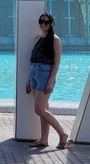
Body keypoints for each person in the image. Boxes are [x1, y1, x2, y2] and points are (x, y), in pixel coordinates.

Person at [25, 12, 71, 149]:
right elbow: (32, 59)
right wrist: (28, 78)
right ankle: (44, 139)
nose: (43, 24)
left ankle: (62, 134)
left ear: (51, 24)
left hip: (45, 74)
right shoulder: (37, 38)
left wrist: (51, 80)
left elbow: (57, 61)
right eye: (41, 21)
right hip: (34, 72)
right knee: (44, 108)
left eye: (46, 22)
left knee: (39, 109)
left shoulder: (55, 39)